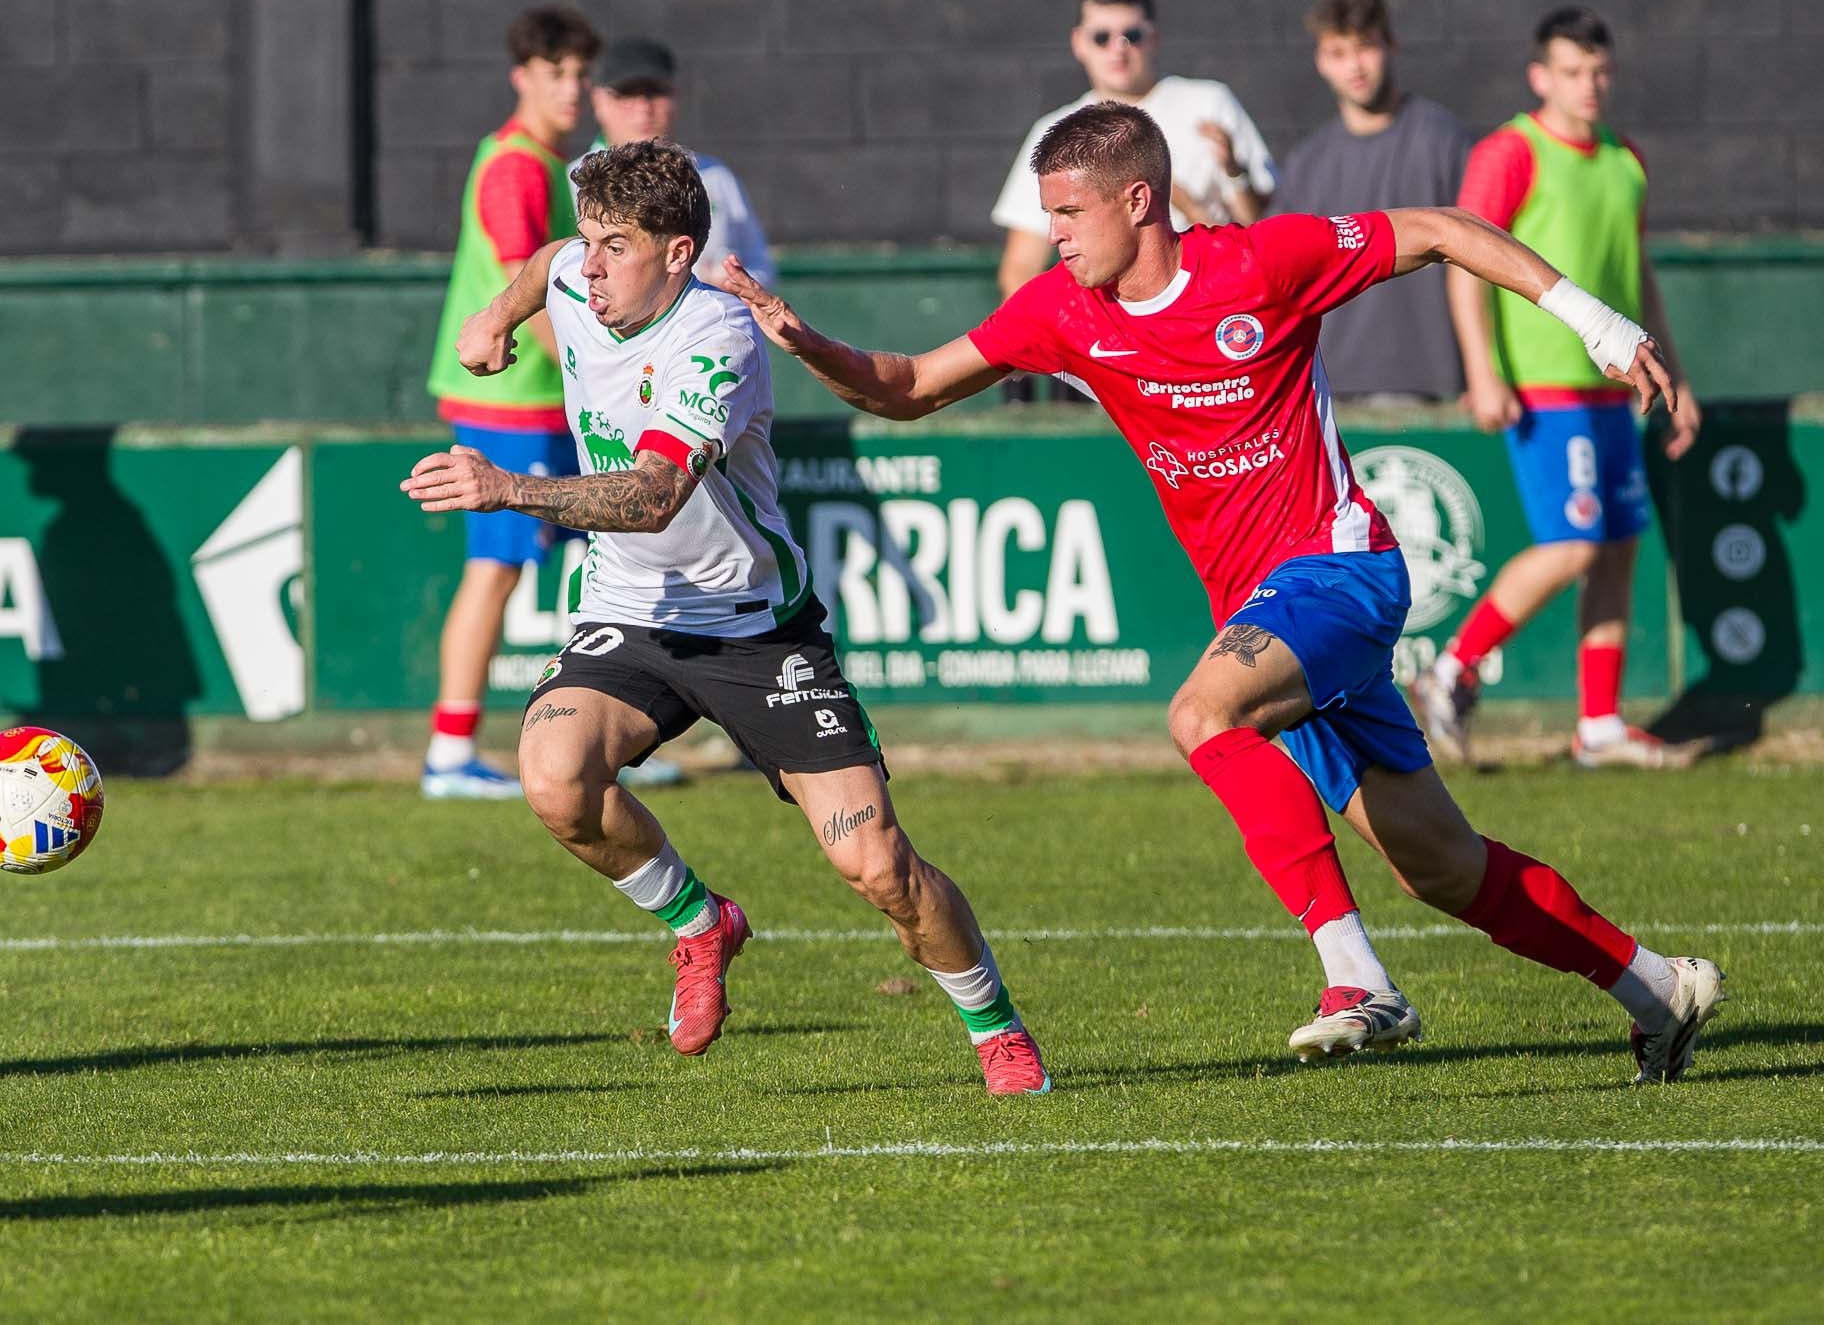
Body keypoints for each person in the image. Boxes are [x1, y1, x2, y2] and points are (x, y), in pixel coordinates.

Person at [717, 102, 1723, 1083]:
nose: (1049, 236)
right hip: (1268, 618)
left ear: (1138, 201)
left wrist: (1589, 319)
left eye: (1066, 214)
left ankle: (1355, 981)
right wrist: (808, 344)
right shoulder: (1063, 309)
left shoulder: (1258, 262)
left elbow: (1440, 229)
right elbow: (906, 386)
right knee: (1442, 867)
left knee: (1201, 714)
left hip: (1339, 572)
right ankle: (1656, 991)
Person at [399, 140, 1051, 1096]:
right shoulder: (581, 279)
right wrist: (499, 316)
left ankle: (994, 1023)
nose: (590, 266)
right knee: (554, 779)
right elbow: (541, 263)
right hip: (631, 614)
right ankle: (702, 924)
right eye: (589, 240)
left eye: (615, 246)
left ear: (679, 254)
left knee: (876, 866)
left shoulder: (720, 337)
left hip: (756, 630)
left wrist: (507, 486)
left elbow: (656, 494)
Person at [1412, 8, 1703, 767]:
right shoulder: (1511, 150)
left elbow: (1637, 278)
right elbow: (1464, 256)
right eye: (1573, 72)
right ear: (1541, 77)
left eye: (1601, 71)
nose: (1590, 86)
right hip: (1544, 384)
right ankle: (1449, 669)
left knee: (1615, 549)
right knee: (1574, 544)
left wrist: (1676, 372)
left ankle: (1599, 726)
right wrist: (1483, 369)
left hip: (1618, 386)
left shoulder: (1625, 160)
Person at [420, 6, 599, 800]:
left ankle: (603, 741)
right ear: (522, 76)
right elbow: (529, 292)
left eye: (579, 74)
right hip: (511, 403)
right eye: (556, 73)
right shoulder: (518, 167)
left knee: (597, 567)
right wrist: (602, 384)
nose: (573, 90)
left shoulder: (548, 162)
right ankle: (450, 753)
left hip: (539, 404)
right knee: (492, 570)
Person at [991, 0, 1275, 404]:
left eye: (1132, 35)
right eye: (1102, 36)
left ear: (1154, 37)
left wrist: (1218, 186)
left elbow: (1257, 234)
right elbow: (1020, 268)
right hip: (1107, 350)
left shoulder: (1208, 104)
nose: (1118, 50)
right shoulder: (1053, 132)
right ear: (1078, 42)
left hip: (1211, 329)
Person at [1268, 0, 1468, 402]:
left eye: (1365, 47)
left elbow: (1482, 257)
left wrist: (1483, 375)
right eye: (1338, 53)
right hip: (1329, 389)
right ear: (1321, 61)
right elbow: (1279, 275)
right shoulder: (1309, 160)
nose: (1355, 66)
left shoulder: (1442, 137)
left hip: (1437, 384)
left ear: (1391, 45)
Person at [573, 36, 777, 288]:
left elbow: (761, 264)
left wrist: (735, 282)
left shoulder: (715, 177)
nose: (643, 107)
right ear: (599, 101)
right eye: (627, 93)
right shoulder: (575, 180)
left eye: (655, 93)